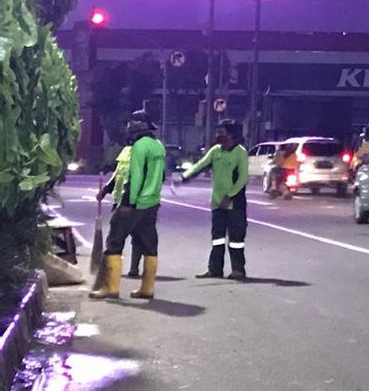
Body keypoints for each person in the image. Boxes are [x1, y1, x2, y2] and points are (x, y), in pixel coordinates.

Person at [90, 112, 166, 300]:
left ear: (136, 127)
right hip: (152, 203)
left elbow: (136, 176)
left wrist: (129, 203)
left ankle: (110, 288)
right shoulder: (158, 146)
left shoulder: (139, 147)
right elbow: (161, 176)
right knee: (149, 245)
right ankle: (147, 288)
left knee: (114, 242)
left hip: (134, 202)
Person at [182, 119, 251, 280]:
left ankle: (238, 270)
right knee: (217, 239)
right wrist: (185, 176)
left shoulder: (240, 152)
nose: (217, 135)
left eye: (221, 132)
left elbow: (242, 179)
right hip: (217, 203)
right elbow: (200, 164)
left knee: (236, 240)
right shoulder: (216, 151)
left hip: (235, 204)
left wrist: (230, 196)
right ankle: (214, 269)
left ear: (232, 135)